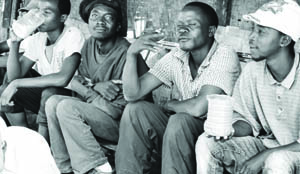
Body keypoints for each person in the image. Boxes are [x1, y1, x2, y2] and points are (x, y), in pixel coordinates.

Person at [115, 2, 241, 174]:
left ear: (211, 31)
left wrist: (169, 105)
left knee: (179, 120)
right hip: (178, 133)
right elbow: (132, 94)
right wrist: (131, 54)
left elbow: (198, 108)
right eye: (180, 26)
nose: (182, 31)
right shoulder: (177, 55)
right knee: (135, 109)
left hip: (214, 138)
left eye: (191, 25)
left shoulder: (224, 54)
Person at [195, 0, 300, 173]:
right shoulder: (253, 71)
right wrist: (229, 129)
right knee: (207, 142)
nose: (251, 37)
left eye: (261, 32)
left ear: (284, 39)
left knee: (277, 160)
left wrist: (264, 157)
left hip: (293, 154)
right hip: (267, 146)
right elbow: (247, 120)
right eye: (253, 29)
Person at [44, 0, 149, 174]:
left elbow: (117, 110)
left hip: (122, 124)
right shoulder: (89, 44)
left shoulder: (126, 52)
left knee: (67, 107)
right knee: (52, 101)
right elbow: (77, 80)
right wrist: (95, 87)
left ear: (118, 26)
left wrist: (89, 91)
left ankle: (96, 167)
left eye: (108, 18)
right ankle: (65, 168)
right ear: (88, 21)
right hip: (97, 110)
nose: (100, 22)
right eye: (95, 16)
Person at [0, 0, 85, 142]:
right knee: (5, 89)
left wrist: (16, 84)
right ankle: (27, 141)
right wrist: (15, 43)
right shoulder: (38, 39)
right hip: (48, 95)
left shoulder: (73, 34)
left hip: (73, 97)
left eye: (46, 13)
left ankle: (43, 144)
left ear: (62, 18)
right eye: (38, 11)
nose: (39, 17)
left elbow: (63, 78)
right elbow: (14, 76)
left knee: (49, 93)